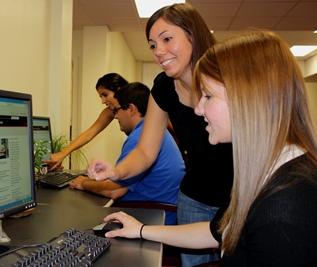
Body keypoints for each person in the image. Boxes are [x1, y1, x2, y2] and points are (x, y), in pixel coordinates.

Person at [98, 30, 317, 266]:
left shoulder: (285, 208)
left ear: (248, 99)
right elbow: (216, 232)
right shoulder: (264, 172)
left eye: (208, 97)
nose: (199, 109)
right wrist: (141, 230)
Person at [87, 3, 233, 266]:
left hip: (237, 195)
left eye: (167, 39)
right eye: (153, 45)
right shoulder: (164, 87)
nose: (159, 52)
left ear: (193, 36)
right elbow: (145, 151)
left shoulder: (228, 79)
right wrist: (116, 172)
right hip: (194, 197)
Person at [69, 82, 185, 225]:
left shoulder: (140, 137)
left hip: (151, 215)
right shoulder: (151, 131)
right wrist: (112, 172)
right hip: (161, 212)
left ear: (131, 109)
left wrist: (84, 183)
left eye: (116, 110)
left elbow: (115, 192)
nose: (116, 116)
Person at [42, 73, 129, 170]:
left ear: (119, 90)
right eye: (101, 97)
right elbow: (89, 133)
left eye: (105, 95)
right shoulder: (109, 112)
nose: (103, 101)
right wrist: (63, 153)